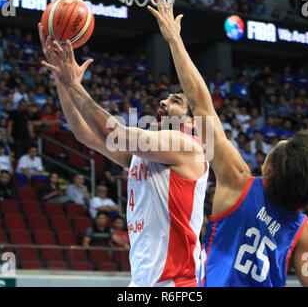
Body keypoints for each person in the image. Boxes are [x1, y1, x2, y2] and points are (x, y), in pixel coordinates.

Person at [147, 0, 308, 287]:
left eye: (274, 150)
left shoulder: (239, 180)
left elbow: (202, 106)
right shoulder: (303, 232)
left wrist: (175, 41)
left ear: (268, 172)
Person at [39, 20, 208, 288]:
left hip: (176, 283)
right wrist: (62, 81)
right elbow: (85, 134)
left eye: (176, 102)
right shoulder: (147, 154)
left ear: (191, 121)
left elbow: (113, 132)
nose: (164, 102)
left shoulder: (186, 147)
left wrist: (75, 86)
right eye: (166, 98)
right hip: (143, 281)